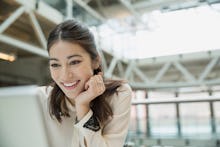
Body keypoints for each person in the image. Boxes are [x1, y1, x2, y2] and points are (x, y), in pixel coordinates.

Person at [38, 20, 132, 147]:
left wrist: (82, 106)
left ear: (96, 61)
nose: (65, 75)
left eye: (74, 62)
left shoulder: (118, 94)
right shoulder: (40, 98)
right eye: (55, 64)